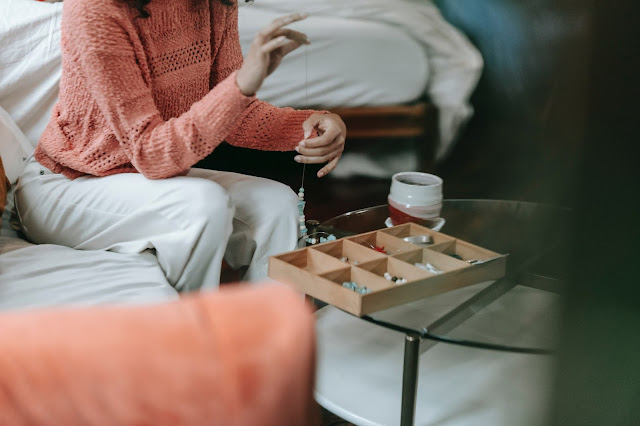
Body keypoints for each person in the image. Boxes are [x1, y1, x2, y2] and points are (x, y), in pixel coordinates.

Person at [14, 0, 346, 291]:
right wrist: (242, 83)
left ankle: (270, 343)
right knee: (203, 206)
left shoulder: (215, 4)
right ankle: (190, 337)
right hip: (66, 185)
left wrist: (312, 124)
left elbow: (236, 115)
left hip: (142, 179)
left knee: (279, 206)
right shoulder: (96, 8)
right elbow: (151, 154)